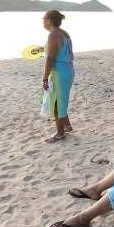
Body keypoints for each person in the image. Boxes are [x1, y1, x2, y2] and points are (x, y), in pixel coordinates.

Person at [42, 10, 74, 143]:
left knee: (56, 102)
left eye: (44, 18)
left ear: (49, 20)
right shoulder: (63, 33)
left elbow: (50, 58)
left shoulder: (53, 35)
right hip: (68, 70)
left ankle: (60, 133)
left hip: (59, 73)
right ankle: (66, 126)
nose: (43, 21)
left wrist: (45, 77)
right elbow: (67, 53)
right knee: (62, 99)